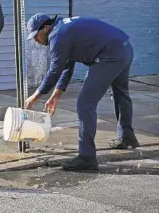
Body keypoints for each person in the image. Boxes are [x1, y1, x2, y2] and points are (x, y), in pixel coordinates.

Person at [25, 13, 140, 171]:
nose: (35, 41)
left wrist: (35, 96)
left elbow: (54, 72)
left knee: (85, 103)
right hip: (124, 47)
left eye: (36, 36)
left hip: (110, 55)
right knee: (120, 94)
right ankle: (128, 137)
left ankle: (87, 158)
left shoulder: (57, 36)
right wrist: (55, 96)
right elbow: (66, 66)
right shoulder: (63, 28)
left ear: (45, 27)